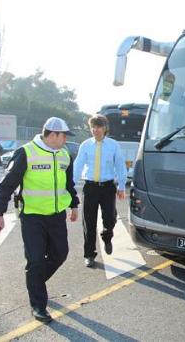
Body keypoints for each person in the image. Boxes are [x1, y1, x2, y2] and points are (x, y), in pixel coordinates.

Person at [0, 117, 79, 323]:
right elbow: (7, 184)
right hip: (32, 217)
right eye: (64, 135)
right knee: (36, 260)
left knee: (60, 254)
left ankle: (35, 283)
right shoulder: (26, 152)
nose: (66, 139)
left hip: (57, 215)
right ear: (53, 134)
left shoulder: (65, 155)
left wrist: (74, 204)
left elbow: (69, 183)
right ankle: (38, 305)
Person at [73, 115, 127, 268]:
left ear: (105, 128)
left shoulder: (113, 145)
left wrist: (122, 185)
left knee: (110, 218)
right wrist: (71, 185)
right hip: (90, 187)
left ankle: (107, 235)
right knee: (88, 222)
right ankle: (89, 254)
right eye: (92, 127)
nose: (95, 130)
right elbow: (78, 165)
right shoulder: (85, 145)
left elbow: (120, 165)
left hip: (108, 187)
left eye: (98, 127)